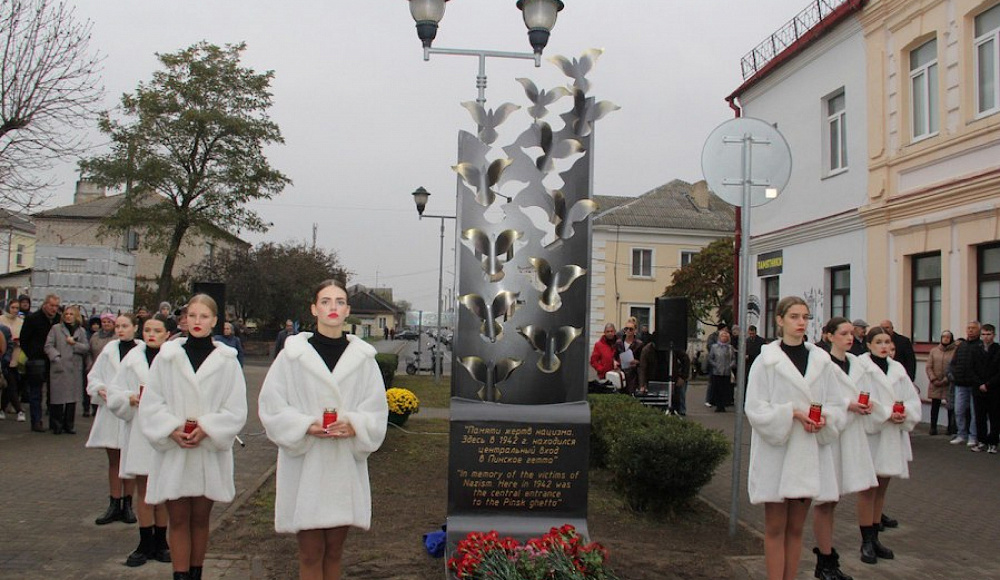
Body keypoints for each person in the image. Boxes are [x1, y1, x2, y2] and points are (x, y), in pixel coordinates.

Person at [259, 279, 388, 580]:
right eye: (326, 301)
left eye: (339, 302)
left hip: (343, 466)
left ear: (348, 311)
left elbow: (376, 411)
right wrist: (305, 425)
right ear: (314, 308)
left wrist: (354, 424)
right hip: (305, 468)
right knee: (309, 553)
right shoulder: (292, 356)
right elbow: (271, 407)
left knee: (334, 552)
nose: (333, 307)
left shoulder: (364, 360)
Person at [139, 294, 247, 580]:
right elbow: (152, 402)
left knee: (200, 520)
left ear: (214, 321)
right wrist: (170, 428)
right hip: (175, 452)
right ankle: (180, 574)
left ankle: (196, 573)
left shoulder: (227, 361)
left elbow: (235, 409)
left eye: (204, 316)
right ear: (184, 320)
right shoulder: (167, 357)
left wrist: (208, 428)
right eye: (192, 316)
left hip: (208, 453)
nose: (197, 322)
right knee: (177, 519)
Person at [745, 296, 844, 580]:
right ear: (779, 320)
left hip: (807, 456)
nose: (801, 322)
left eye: (805, 317)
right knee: (775, 528)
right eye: (794, 317)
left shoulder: (822, 361)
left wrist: (826, 419)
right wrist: (791, 414)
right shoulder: (766, 361)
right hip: (776, 455)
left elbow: (837, 405)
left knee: (797, 529)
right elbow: (754, 408)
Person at [812, 317, 877, 579]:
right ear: (829, 336)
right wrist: (845, 404)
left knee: (852, 491)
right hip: (831, 437)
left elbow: (870, 391)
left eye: (852, 333)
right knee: (827, 498)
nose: (850, 338)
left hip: (853, 436)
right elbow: (817, 398)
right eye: (844, 333)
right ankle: (825, 560)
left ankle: (862, 544)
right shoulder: (821, 364)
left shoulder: (858, 364)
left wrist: (869, 405)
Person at [107, 314, 172, 567]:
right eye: (147, 330)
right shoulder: (132, 359)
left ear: (167, 334)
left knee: (163, 490)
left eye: (157, 330)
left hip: (165, 430)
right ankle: (145, 541)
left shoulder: (173, 359)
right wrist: (128, 399)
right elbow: (115, 391)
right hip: (139, 431)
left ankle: (162, 540)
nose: (151, 334)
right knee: (144, 489)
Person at [855, 326, 920, 564]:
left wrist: (906, 414)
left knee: (881, 488)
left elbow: (911, 399)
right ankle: (865, 541)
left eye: (887, 342)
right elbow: (860, 400)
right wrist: (885, 413)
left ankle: (875, 537)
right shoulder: (861, 369)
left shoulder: (898, 369)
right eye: (879, 342)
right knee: (868, 488)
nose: (884, 346)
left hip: (892, 435)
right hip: (872, 435)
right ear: (869, 345)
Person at [85, 312, 140, 525]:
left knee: (130, 458)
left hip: (132, 410)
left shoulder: (140, 350)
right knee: (114, 459)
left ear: (135, 327)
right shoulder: (109, 350)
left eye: (125, 325)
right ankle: (114, 502)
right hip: (110, 410)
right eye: (118, 326)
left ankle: (128, 503)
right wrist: (100, 389)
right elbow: (95, 375)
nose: (120, 329)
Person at [44, 304, 89, 435]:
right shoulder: (56, 329)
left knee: (71, 398)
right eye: (66, 314)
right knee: (58, 397)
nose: (68, 316)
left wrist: (74, 344)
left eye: (71, 314)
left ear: (76, 317)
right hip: (60, 366)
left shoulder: (81, 331)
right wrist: (56, 357)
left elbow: (86, 348)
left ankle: (69, 424)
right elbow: (48, 346)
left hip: (74, 367)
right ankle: (56, 424)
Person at [19, 294, 61, 432]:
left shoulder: (58, 319)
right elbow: (24, 339)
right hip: (37, 359)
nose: (54, 309)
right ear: (45, 304)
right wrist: (32, 354)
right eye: (52, 305)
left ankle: (54, 421)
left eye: (56, 306)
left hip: (53, 358)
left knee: (54, 391)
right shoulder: (33, 318)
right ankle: (36, 421)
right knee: (36, 392)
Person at [949, 321, 984, 447]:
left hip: (974, 384)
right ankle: (961, 434)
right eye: (969, 328)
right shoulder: (962, 345)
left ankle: (973, 436)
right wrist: (953, 375)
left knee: (975, 412)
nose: (970, 330)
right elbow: (953, 363)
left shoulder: (981, 345)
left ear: (979, 331)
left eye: (973, 328)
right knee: (959, 410)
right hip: (960, 383)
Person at [637, 340, 690, 415]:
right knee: (656, 404)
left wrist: (683, 377)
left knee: (674, 401)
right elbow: (642, 368)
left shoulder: (672, 347)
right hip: (654, 379)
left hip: (670, 378)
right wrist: (642, 385)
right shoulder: (647, 350)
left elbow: (685, 359)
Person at [972, 323, 1000, 454]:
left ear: (994, 335)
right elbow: (971, 369)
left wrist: (988, 384)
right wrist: (979, 384)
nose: (986, 337)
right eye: (983, 334)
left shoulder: (998, 350)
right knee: (980, 417)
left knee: (994, 417)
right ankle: (981, 441)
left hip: (994, 389)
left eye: (988, 334)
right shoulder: (976, 350)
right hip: (978, 389)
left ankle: (993, 442)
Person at [925, 331, 957, 436]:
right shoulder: (934, 351)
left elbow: (955, 367)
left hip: (948, 383)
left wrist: (946, 379)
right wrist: (933, 378)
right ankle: (933, 427)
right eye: (944, 336)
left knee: (950, 406)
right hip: (935, 382)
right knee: (935, 405)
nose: (946, 339)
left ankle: (950, 427)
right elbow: (929, 366)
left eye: (948, 337)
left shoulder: (955, 351)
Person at [0, 299, 25, 422]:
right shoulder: (1, 320)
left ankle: (2, 409)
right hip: (4, 357)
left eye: (17, 308)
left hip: (16, 356)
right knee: (11, 384)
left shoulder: (20, 322)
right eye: (13, 307)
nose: (15, 310)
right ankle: (19, 410)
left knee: (9, 385)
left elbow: (25, 337)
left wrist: (19, 341)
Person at [707, 329, 736, 412]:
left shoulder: (730, 348)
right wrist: (715, 365)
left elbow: (733, 359)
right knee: (717, 388)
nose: (724, 338)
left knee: (725, 389)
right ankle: (717, 405)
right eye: (722, 336)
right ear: (719, 337)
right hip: (717, 371)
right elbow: (710, 358)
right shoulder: (714, 347)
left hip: (726, 372)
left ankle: (723, 405)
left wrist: (730, 366)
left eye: (726, 337)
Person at [617, 321, 643, 394]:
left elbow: (642, 361)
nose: (628, 331)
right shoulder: (619, 343)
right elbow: (614, 356)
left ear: (635, 331)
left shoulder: (639, 344)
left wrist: (637, 362)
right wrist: (615, 362)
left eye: (631, 329)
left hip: (633, 375)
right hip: (621, 374)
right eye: (626, 329)